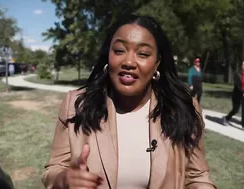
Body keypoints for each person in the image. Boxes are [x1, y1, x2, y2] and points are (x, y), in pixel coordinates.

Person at [41, 15, 216, 189]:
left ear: (157, 63)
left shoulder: (183, 108)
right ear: (108, 55)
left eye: (143, 54)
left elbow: (197, 177)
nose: (129, 62)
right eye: (119, 50)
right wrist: (63, 179)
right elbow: (54, 169)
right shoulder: (76, 105)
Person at [223, 61, 244, 132]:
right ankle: (227, 118)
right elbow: (237, 86)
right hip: (237, 94)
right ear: (241, 66)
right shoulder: (237, 74)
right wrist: (243, 93)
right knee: (235, 110)